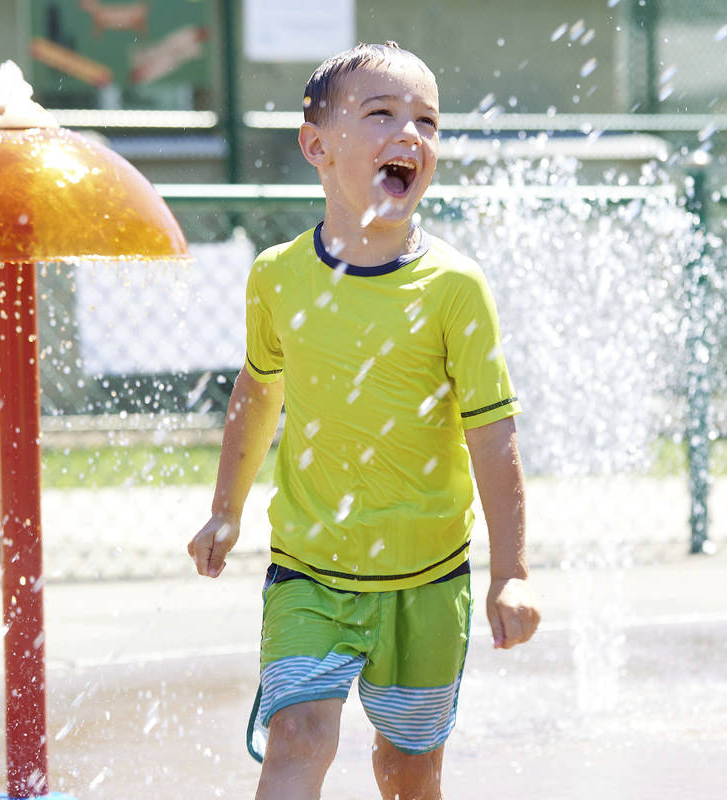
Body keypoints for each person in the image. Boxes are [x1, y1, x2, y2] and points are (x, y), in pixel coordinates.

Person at [188, 40, 540, 800]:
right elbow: (259, 391)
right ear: (317, 145)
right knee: (298, 737)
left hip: (428, 577)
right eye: (380, 114)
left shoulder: (454, 288)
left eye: (427, 121)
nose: (409, 134)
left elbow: (492, 433)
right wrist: (225, 511)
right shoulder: (278, 276)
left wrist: (510, 574)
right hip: (309, 571)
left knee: (408, 769)